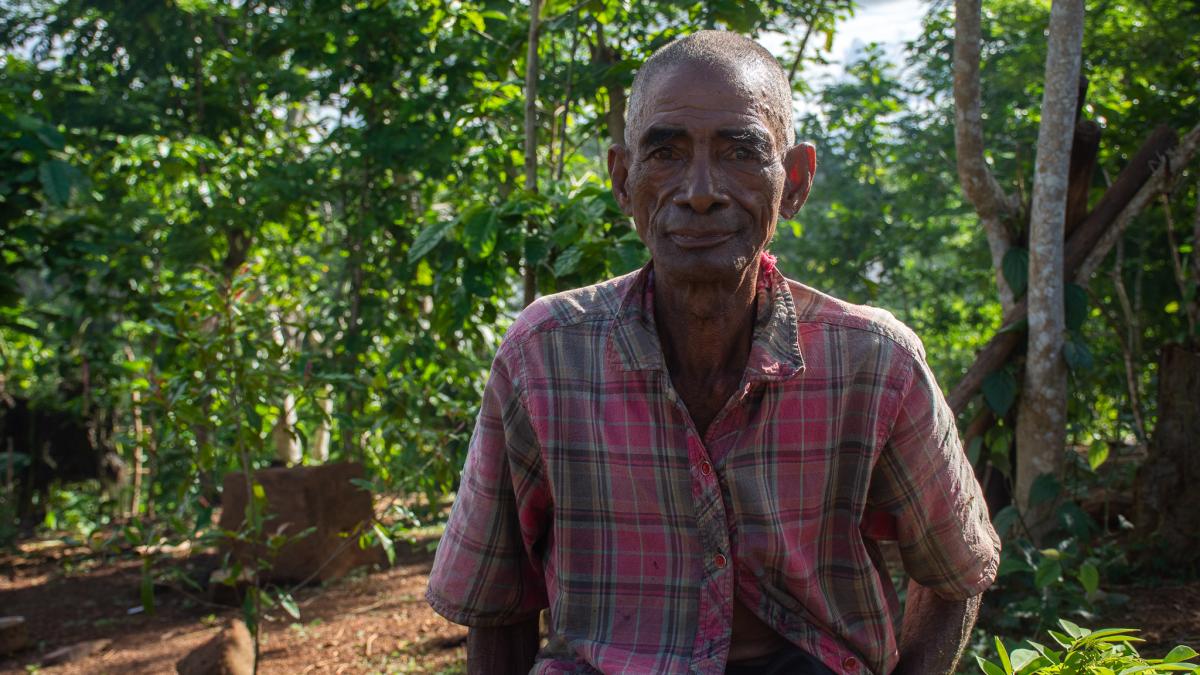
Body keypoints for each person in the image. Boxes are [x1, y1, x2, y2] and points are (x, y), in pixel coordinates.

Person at [426, 30, 1000, 675]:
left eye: (741, 152)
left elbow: (954, 572)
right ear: (623, 179)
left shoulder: (873, 360)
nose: (701, 190)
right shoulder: (543, 356)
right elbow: (496, 604)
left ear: (796, 180)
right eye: (665, 152)